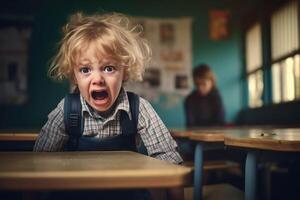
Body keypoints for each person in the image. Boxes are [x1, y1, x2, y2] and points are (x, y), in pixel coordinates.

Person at [34, 12, 183, 200]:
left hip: (127, 192)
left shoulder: (138, 108)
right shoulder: (67, 109)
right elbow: (39, 162)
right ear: (74, 77)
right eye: (85, 70)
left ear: (125, 72)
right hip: (76, 193)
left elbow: (167, 158)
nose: (97, 79)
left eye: (109, 68)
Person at [184, 64, 225, 128]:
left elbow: (221, 122)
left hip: (215, 135)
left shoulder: (216, 97)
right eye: (197, 84)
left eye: (203, 83)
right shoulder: (189, 99)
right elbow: (190, 125)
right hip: (195, 135)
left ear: (211, 81)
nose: (200, 87)